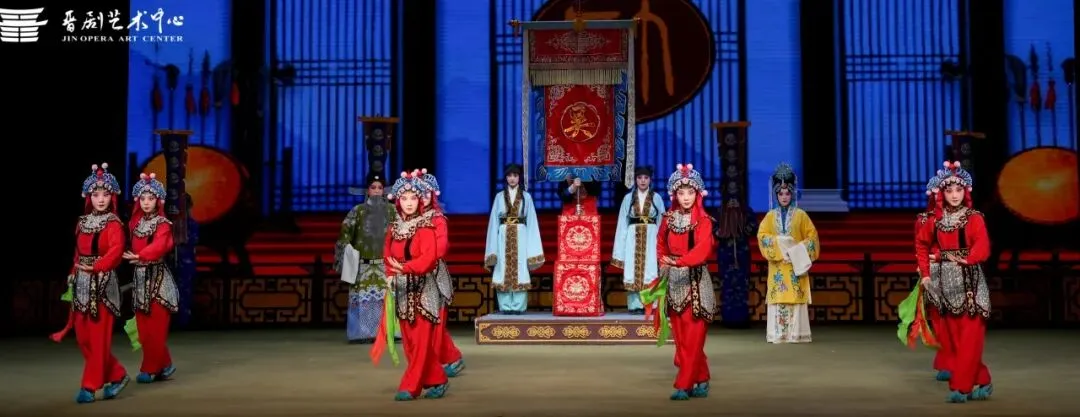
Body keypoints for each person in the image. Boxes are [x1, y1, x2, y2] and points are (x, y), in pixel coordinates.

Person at [916, 161, 993, 403]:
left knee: (970, 340)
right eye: (949, 191)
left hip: (971, 288)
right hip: (946, 289)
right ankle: (983, 380)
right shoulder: (934, 220)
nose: (954, 195)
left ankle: (961, 387)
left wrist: (963, 258)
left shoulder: (974, 218)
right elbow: (921, 245)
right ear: (942, 194)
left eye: (958, 190)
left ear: (965, 191)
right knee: (958, 343)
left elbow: (982, 247)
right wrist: (925, 274)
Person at [652, 163, 716, 400]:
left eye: (690, 192)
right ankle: (702, 377)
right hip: (673, 283)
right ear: (675, 195)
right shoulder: (668, 219)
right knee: (681, 339)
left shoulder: (704, 221)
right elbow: (660, 244)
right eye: (681, 193)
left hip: (696, 283)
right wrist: (663, 260)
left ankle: (683, 385)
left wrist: (678, 262)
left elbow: (703, 250)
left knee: (693, 338)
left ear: (698, 194)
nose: (686, 197)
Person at [383, 170, 448, 400]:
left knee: (420, 342)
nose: (409, 203)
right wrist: (390, 274)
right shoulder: (394, 228)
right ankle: (437, 379)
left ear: (420, 199)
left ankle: (409, 387)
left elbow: (428, 259)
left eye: (413, 198)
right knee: (410, 344)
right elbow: (387, 255)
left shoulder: (426, 227)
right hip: (401, 290)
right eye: (404, 198)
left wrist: (405, 268)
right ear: (397, 201)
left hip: (423, 290)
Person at [70, 163, 131, 403]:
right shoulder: (82, 222)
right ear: (89, 197)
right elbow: (78, 254)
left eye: (106, 194)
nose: (101, 199)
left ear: (112, 196)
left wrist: (96, 267)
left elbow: (116, 251)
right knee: (83, 338)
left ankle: (89, 386)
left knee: (98, 338)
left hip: (103, 284)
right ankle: (117, 374)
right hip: (82, 284)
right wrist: (73, 273)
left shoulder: (114, 223)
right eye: (96, 195)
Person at [756, 163, 820, 344]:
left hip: (795, 266)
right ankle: (778, 334)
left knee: (796, 298)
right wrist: (778, 243)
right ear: (776, 195)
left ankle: (797, 334)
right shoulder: (770, 216)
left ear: (792, 194)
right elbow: (762, 236)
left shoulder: (801, 215)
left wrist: (796, 250)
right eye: (780, 193)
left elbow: (812, 238)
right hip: (778, 265)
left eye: (787, 193)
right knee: (779, 297)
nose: (784, 197)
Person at [125, 172, 179, 384]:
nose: (146, 202)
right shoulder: (135, 223)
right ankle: (165, 364)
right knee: (143, 329)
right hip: (140, 278)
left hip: (157, 279)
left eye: (151, 198)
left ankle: (149, 369)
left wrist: (141, 255)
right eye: (143, 198)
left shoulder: (163, 224)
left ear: (158, 200)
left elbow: (161, 245)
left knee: (155, 328)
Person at [335, 173, 396, 343]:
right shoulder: (358, 211)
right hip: (363, 265)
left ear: (384, 191)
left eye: (380, 188)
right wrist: (348, 251)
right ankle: (361, 334)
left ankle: (389, 332)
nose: (376, 191)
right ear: (367, 190)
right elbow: (345, 234)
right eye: (373, 187)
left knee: (388, 299)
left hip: (386, 265)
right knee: (362, 301)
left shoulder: (392, 211)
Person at [416, 169, 465, 377]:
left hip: (433, 275)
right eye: (420, 193)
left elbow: (441, 248)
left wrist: (421, 260)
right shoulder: (410, 219)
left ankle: (434, 366)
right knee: (424, 322)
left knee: (434, 320)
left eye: (427, 192)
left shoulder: (437, 219)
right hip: (414, 274)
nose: (424, 197)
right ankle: (452, 357)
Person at [483, 164, 545, 314]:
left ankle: (518, 305)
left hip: (521, 234)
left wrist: (532, 247)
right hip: (503, 234)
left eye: (515, 176)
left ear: (519, 178)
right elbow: (494, 222)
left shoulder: (526, 196)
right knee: (503, 266)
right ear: (506, 178)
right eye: (509, 176)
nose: (512, 178)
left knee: (520, 266)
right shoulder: (499, 196)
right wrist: (492, 247)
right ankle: (505, 306)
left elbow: (531, 221)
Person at [611, 166, 666, 315]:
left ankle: (650, 304)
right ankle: (635, 305)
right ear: (635, 179)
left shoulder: (656, 198)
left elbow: (662, 221)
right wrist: (620, 247)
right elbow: (622, 222)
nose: (643, 181)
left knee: (650, 268)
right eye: (640, 178)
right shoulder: (628, 198)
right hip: (632, 236)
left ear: (650, 180)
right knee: (633, 269)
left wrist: (661, 243)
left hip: (651, 236)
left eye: (646, 178)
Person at [916, 193, 952, 381]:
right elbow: (920, 247)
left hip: (959, 272)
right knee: (940, 320)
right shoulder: (925, 220)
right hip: (935, 273)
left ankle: (958, 362)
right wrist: (924, 270)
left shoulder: (967, 218)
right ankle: (946, 362)